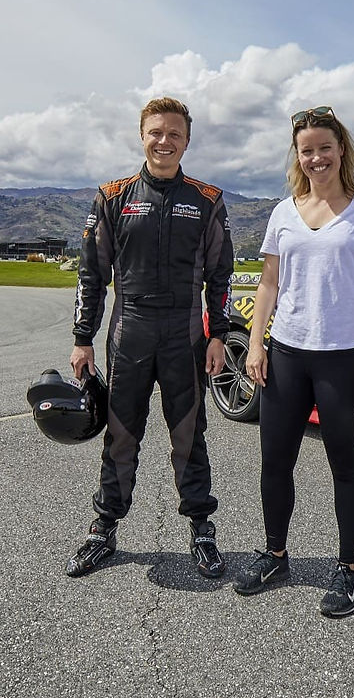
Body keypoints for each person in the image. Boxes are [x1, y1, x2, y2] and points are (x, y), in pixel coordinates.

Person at [233, 105, 354, 618]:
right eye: (306, 150)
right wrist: (257, 343)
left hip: (346, 356)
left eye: (325, 147)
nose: (316, 157)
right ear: (298, 155)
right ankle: (275, 555)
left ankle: (348, 569)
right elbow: (268, 283)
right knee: (274, 461)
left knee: (345, 465)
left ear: (341, 149)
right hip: (287, 353)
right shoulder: (283, 212)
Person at [68, 96, 234, 579]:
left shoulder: (207, 199)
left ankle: (201, 529)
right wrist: (82, 338)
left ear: (187, 140)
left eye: (174, 134)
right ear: (142, 136)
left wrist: (219, 335)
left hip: (186, 335)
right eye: (156, 132)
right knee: (121, 435)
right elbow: (91, 274)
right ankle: (104, 528)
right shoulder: (112, 196)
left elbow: (220, 276)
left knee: (190, 435)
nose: (165, 141)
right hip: (130, 333)